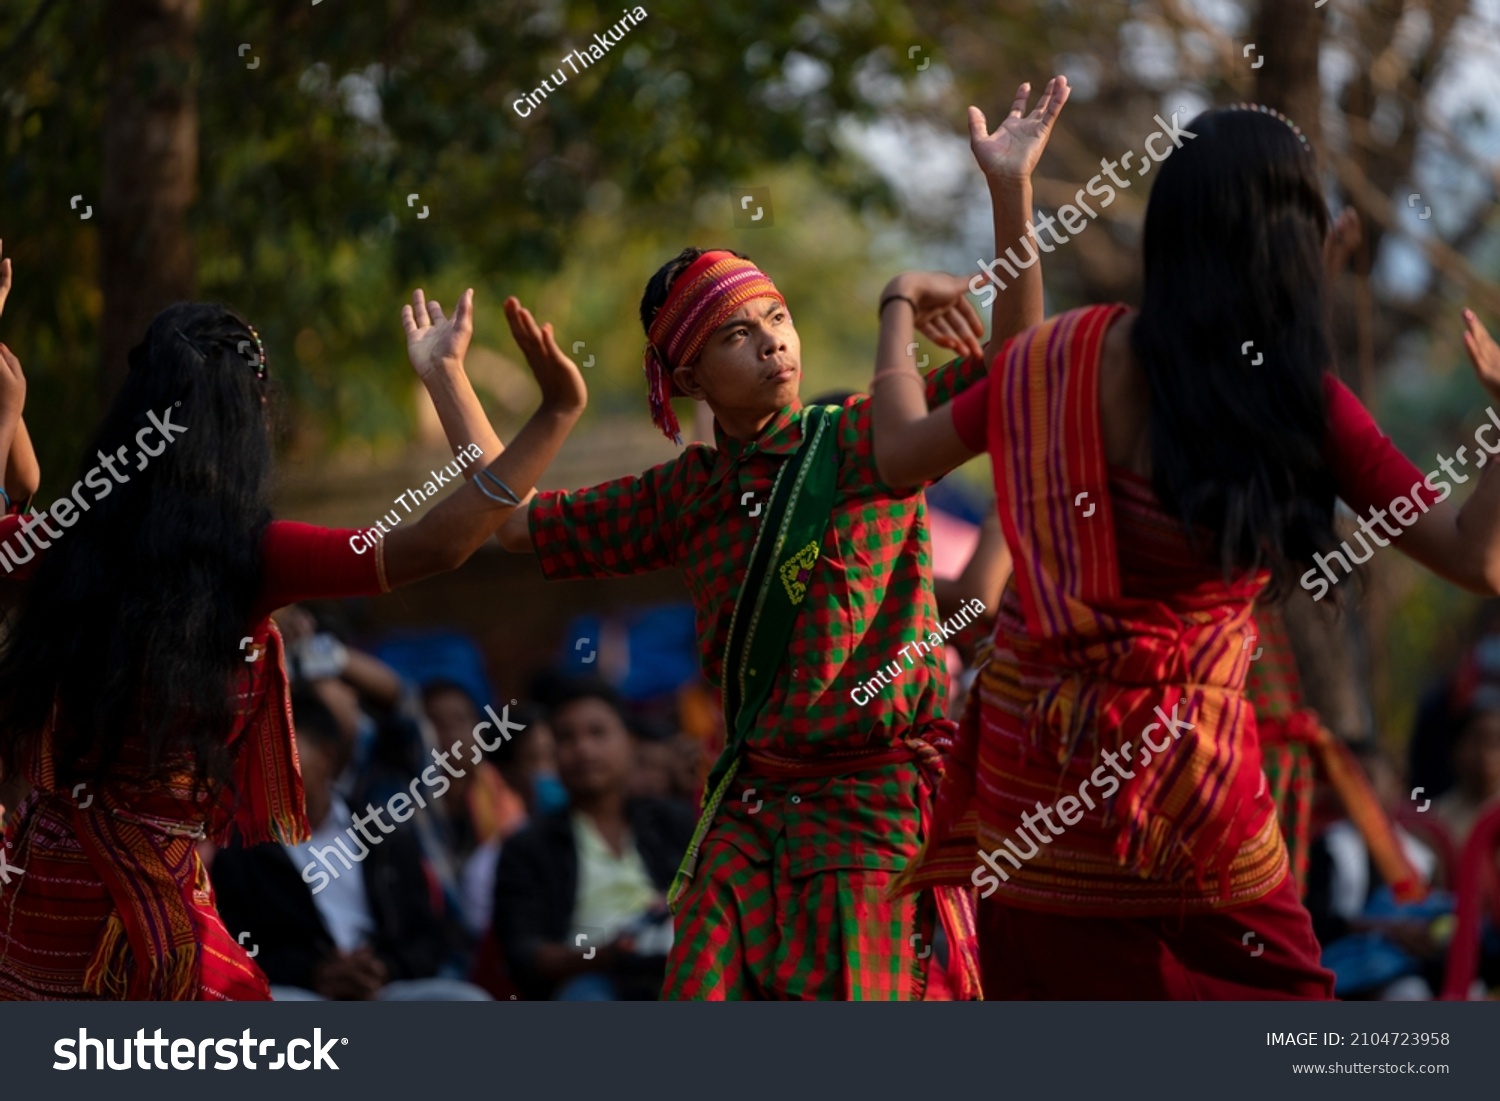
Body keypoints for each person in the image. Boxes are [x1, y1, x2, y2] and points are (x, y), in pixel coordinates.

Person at [874, 102, 1500, 998]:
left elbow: (907, 448)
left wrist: (903, 300)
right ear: (1292, 244)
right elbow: (1481, 560)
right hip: (1194, 800)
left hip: (1037, 794)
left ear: (1168, 227)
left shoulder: (1067, 361)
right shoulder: (1299, 407)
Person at [470, 81, 1071, 1000]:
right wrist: (452, 381)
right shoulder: (681, 496)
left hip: (876, 809)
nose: (774, 345)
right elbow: (504, 520)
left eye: (778, 319)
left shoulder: (871, 436)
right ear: (687, 378)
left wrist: (1010, 191)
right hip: (749, 813)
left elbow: (1023, 371)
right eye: (736, 336)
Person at [0, 282, 586, 1000]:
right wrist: (551, 410)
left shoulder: (67, 545)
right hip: (149, 921)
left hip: (36, 901)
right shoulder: (251, 558)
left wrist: (8, 410)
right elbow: (436, 544)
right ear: (253, 417)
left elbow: (17, 490)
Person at [209, 692, 488, 1000]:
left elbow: (427, 937)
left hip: (385, 988)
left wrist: (383, 968)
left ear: (327, 756)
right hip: (303, 992)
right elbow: (239, 950)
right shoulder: (239, 852)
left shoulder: (385, 833)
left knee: (466, 1000)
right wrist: (316, 973)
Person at [491, 681, 693, 1000]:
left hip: (679, 963)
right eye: (565, 737)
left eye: (597, 733)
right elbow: (525, 955)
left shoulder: (672, 821)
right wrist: (603, 954)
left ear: (630, 743)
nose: (583, 749)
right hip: (591, 979)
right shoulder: (527, 847)